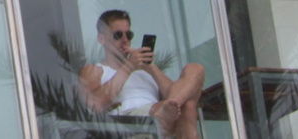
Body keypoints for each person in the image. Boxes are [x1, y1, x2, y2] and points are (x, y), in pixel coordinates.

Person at [79, 10, 206, 139]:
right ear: (101, 39)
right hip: (130, 122)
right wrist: (128, 67)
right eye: (118, 35)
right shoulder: (94, 69)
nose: (125, 40)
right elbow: (96, 103)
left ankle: (162, 113)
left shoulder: (144, 72)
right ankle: (161, 114)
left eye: (129, 35)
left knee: (195, 69)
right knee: (187, 106)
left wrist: (151, 67)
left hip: (160, 116)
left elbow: (173, 96)